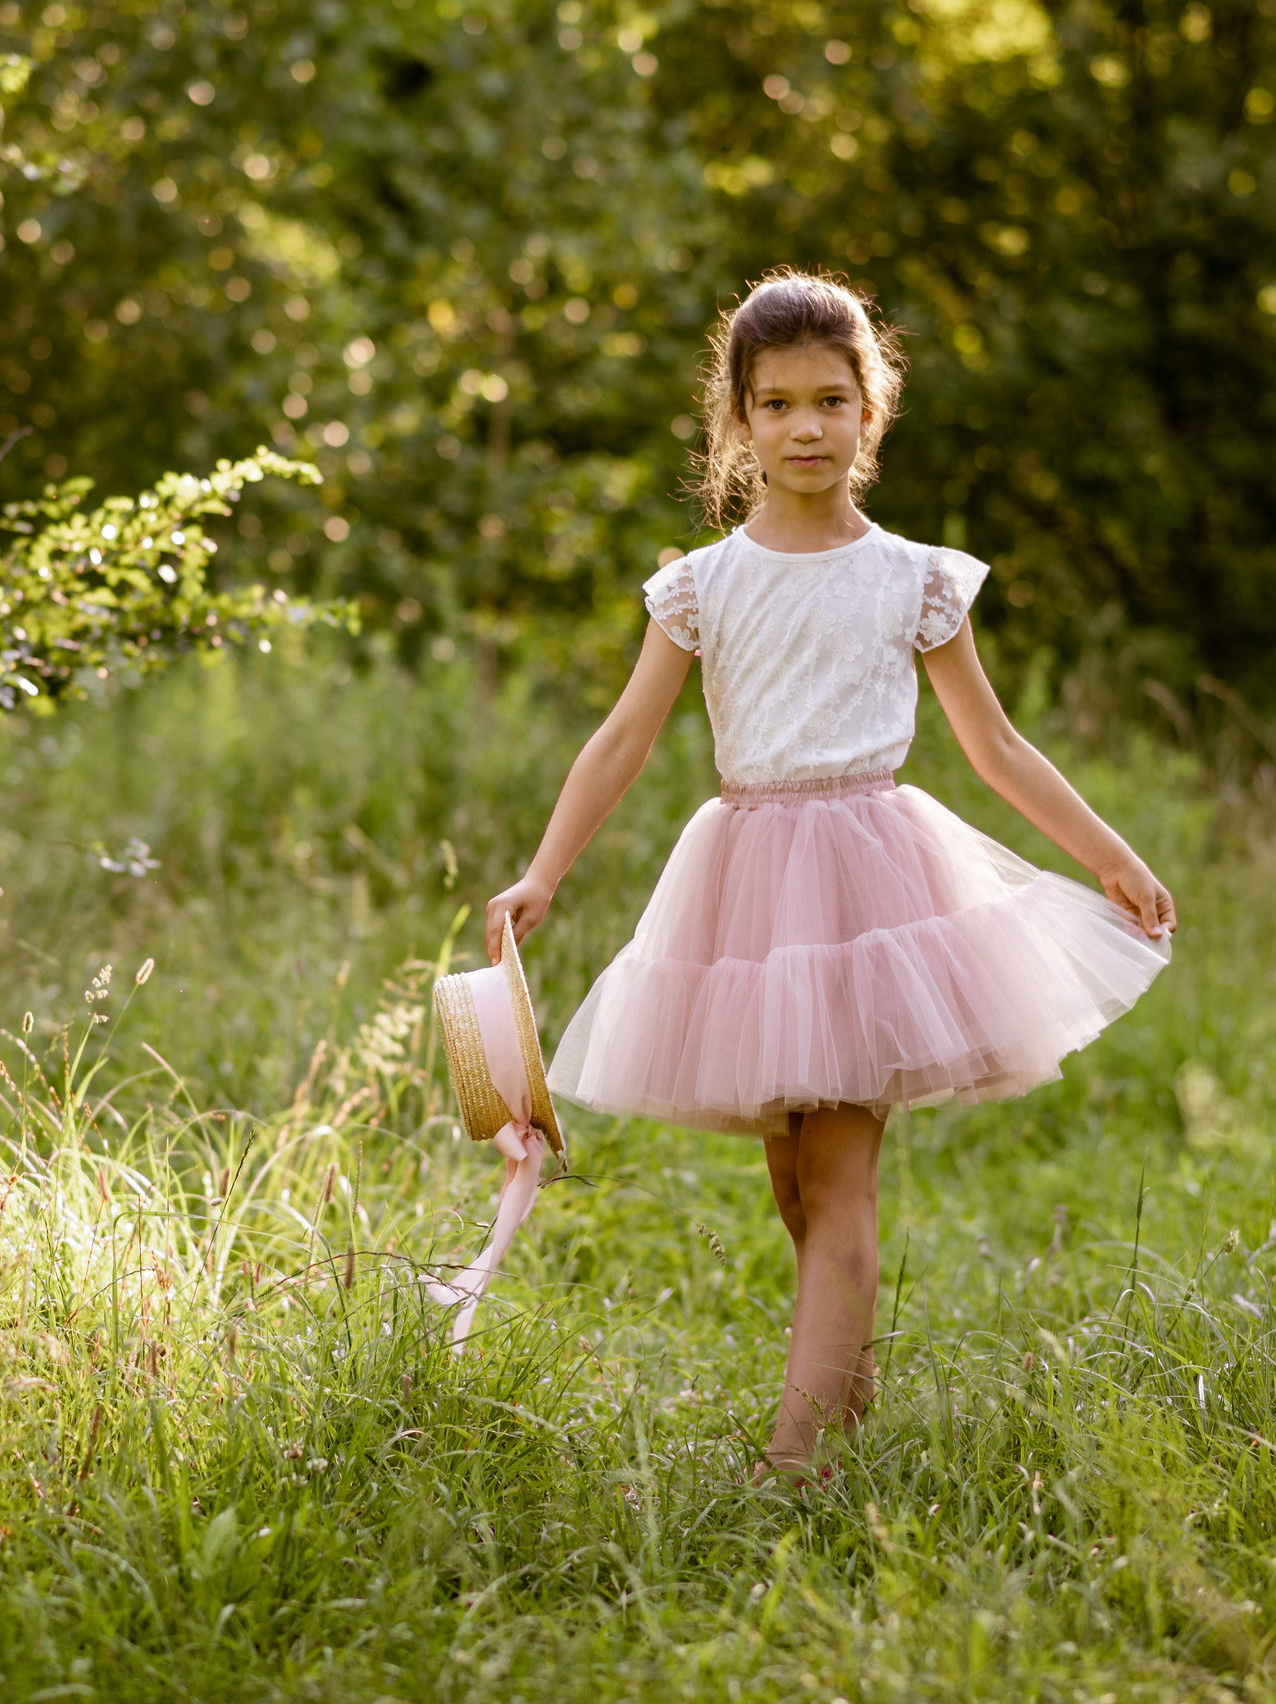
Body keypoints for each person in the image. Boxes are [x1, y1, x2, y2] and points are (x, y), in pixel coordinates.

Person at [482, 269, 1177, 1480]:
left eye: (831, 401)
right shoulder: (700, 585)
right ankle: (848, 1423)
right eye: (777, 404)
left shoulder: (913, 576)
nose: (806, 428)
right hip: (749, 884)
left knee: (841, 1185)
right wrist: (544, 872)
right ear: (737, 422)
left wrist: (1110, 856)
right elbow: (621, 739)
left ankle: (794, 1461)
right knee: (797, 1190)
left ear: (871, 412)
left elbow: (995, 746)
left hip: (872, 886)